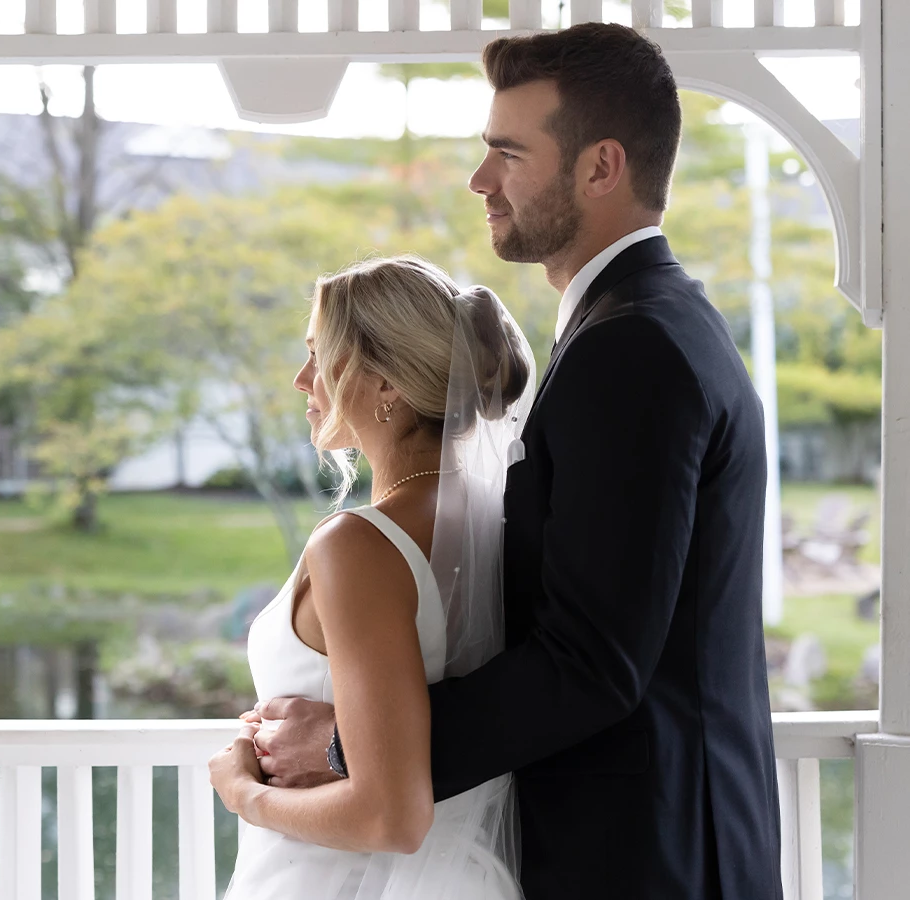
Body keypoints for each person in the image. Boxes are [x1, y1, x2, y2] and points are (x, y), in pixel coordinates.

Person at [235, 22, 783, 900]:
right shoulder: (654, 321)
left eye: (507, 153)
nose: (479, 180)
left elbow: (593, 661)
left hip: (645, 860)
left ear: (601, 167)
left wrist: (346, 750)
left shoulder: (631, 347)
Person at [209, 255, 536, 899]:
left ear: (387, 382)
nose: (302, 379)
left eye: (319, 355)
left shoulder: (358, 545)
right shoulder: (497, 516)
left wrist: (244, 793)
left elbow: (390, 816)